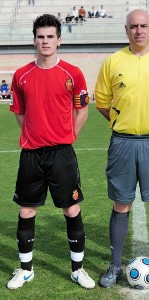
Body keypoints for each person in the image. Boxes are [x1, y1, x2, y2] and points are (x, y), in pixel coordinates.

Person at [95, 9, 149, 288]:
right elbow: (101, 101)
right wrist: (121, 121)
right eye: (133, 26)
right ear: (126, 30)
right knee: (121, 203)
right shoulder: (113, 61)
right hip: (122, 142)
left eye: (143, 26)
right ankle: (114, 266)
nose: (139, 31)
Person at [7, 14, 94, 290]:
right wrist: (34, 134)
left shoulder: (73, 74)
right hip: (32, 154)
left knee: (71, 208)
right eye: (40, 36)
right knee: (26, 211)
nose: (45, 41)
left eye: (50, 37)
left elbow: (83, 110)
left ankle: (78, 270)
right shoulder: (21, 76)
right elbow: (19, 113)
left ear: (59, 40)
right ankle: (25, 270)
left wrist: (69, 136)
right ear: (34, 40)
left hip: (62, 154)